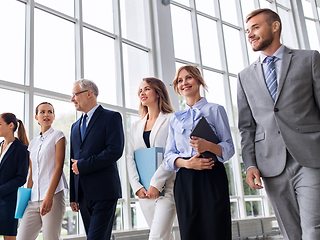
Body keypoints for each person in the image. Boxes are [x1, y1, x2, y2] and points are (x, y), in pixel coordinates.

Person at [237, 8, 320, 240]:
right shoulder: (244, 76)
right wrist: (250, 164)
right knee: (290, 232)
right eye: (247, 30)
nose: (250, 34)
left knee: (313, 228)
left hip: (311, 158)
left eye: (256, 27)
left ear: (275, 26)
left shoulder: (309, 58)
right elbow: (247, 127)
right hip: (270, 165)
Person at [164, 65, 234, 240]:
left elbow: (230, 147)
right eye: (180, 80)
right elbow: (168, 157)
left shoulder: (215, 110)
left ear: (198, 80)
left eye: (188, 78)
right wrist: (187, 163)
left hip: (212, 176)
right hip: (186, 181)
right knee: (190, 233)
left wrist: (207, 146)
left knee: (216, 230)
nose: (184, 83)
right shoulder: (175, 118)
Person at [69, 79, 124, 240]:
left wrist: (84, 165)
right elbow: (73, 160)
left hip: (104, 191)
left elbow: (115, 150)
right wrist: (74, 195)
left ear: (88, 94)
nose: (72, 99)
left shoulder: (111, 117)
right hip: (83, 195)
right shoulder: (75, 126)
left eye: (74, 94)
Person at [126, 77, 176, 240]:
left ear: (158, 92)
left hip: (167, 188)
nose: (142, 92)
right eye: (140, 90)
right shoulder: (135, 125)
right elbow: (129, 158)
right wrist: (136, 186)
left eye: (146, 88)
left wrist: (156, 183)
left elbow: (171, 154)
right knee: (164, 236)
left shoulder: (172, 119)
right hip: (144, 191)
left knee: (156, 237)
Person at [17, 102, 68, 240]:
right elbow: (32, 174)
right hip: (33, 200)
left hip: (53, 196)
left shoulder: (58, 136)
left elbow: (59, 167)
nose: (46, 114)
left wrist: (49, 196)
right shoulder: (32, 143)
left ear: (54, 116)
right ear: (36, 117)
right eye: (42, 112)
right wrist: (26, 199)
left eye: (50, 112)